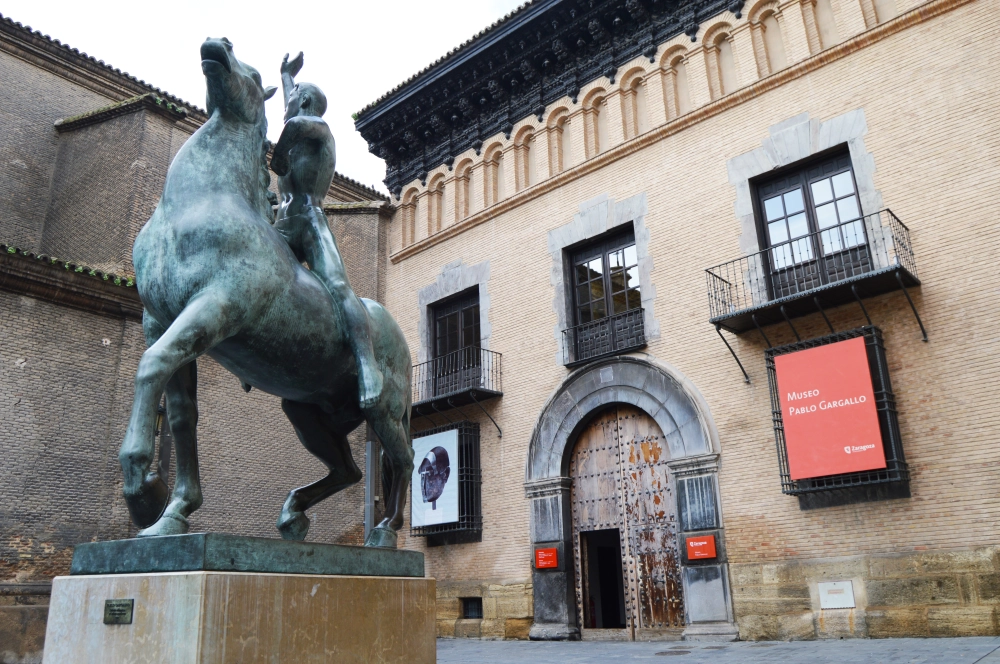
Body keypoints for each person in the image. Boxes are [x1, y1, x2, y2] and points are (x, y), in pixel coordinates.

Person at [270, 52, 383, 409]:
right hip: (282, 222)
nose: (286, 106)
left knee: (337, 287)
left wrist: (278, 156)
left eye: (292, 99)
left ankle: (367, 365)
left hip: (310, 220)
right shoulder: (299, 111)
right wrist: (287, 76)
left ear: (304, 103)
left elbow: (293, 125)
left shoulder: (319, 130)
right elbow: (291, 111)